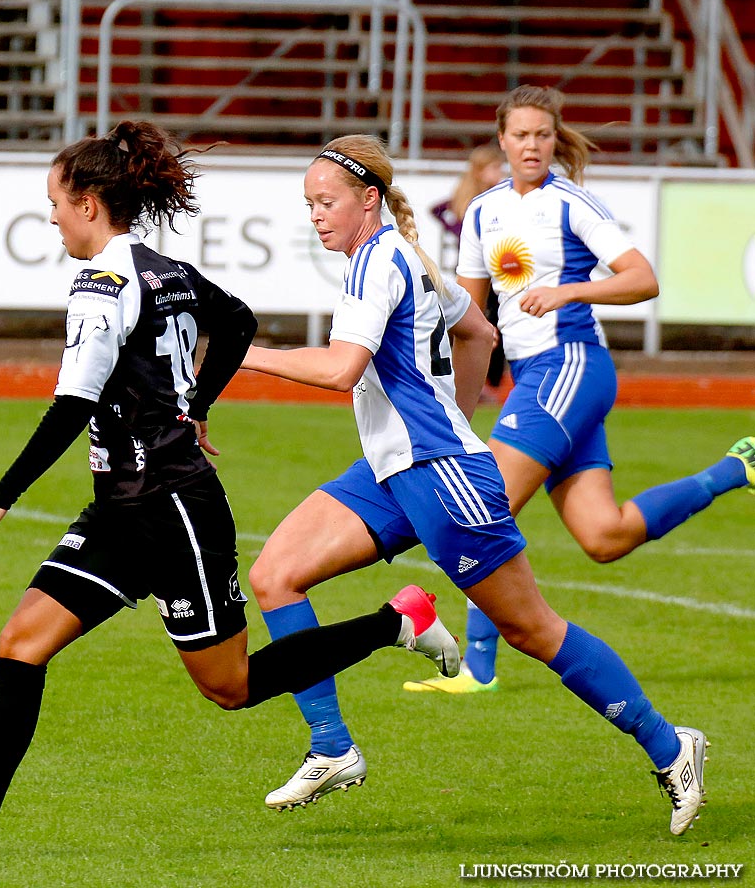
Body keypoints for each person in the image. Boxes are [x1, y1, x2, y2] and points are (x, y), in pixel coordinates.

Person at [0, 121, 461, 856]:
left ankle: (395, 623)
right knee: (22, 642)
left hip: (176, 508)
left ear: (89, 203)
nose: (50, 215)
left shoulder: (103, 283)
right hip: (121, 510)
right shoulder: (165, 269)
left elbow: (73, 405)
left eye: (55, 201)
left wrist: (0, 499)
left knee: (231, 686)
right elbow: (239, 320)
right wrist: (198, 403)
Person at [242, 134, 708, 836]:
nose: (316, 215)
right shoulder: (399, 256)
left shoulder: (381, 262)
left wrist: (241, 356)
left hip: (439, 476)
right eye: (309, 204)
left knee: (531, 629)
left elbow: (342, 369)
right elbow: (480, 333)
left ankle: (673, 748)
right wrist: (456, 414)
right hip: (396, 470)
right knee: (276, 575)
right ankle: (332, 746)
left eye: (326, 201)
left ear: (368, 200)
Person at [406, 85, 755, 696]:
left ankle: (478, 671)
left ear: (554, 138)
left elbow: (642, 279)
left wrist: (571, 291)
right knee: (604, 536)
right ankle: (735, 469)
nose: (532, 145)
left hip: (569, 363)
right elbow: (471, 318)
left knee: (483, 508)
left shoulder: (573, 203)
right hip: (539, 375)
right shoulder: (483, 212)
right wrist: (454, 400)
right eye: (520, 135)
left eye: (543, 134)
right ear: (503, 139)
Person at [431, 143, 508, 396]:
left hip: (496, 268)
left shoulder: (496, 198)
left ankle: (488, 382)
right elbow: (439, 209)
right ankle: (470, 380)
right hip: (475, 269)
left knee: (494, 321)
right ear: (479, 171)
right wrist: (462, 233)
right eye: (495, 167)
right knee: (474, 321)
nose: (500, 172)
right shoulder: (474, 201)